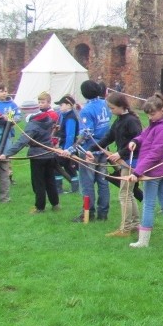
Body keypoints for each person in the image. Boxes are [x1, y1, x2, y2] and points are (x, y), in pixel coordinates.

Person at [126, 95, 163, 248]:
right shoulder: (156, 124)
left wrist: (137, 172)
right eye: (148, 115)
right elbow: (144, 135)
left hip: (155, 171)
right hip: (160, 170)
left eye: (152, 114)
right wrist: (135, 141)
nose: (150, 117)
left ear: (162, 110)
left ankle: (143, 241)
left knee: (148, 204)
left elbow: (155, 153)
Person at [0, 93, 60, 214]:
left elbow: (22, 141)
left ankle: (40, 207)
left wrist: (6, 154)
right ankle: (55, 204)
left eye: (24, 112)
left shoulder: (33, 125)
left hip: (39, 156)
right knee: (50, 180)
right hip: (49, 154)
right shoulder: (47, 118)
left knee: (38, 182)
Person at [96, 92, 143, 238]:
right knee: (128, 194)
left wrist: (120, 154)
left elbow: (138, 141)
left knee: (124, 195)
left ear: (121, 106)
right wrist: (93, 149)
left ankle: (125, 229)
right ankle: (134, 225)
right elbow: (109, 137)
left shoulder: (131, 121)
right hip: (126, 160)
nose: (111, 111)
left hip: (131, 161)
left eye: (112, 108)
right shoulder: (119, 120)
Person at [68, 80, 112, 222]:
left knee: (87, 183)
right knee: (103, 181)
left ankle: (87, 214)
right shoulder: (105, 104)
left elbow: (87, 132)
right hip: (103, 148)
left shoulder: (87, 110)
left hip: (89, 151)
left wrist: (72, 147)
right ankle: (103, 213)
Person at [55, 95, 80, 194]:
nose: (60, 107)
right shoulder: (66, 115)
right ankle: (74, 189)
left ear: (69, 105)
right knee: (69, 167)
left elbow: (70, 135)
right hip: (66, 146)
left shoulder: (71, 118)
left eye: (61, 105)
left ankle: (59, 189)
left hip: (67, 147)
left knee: (56, 166)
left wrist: (66, 150)